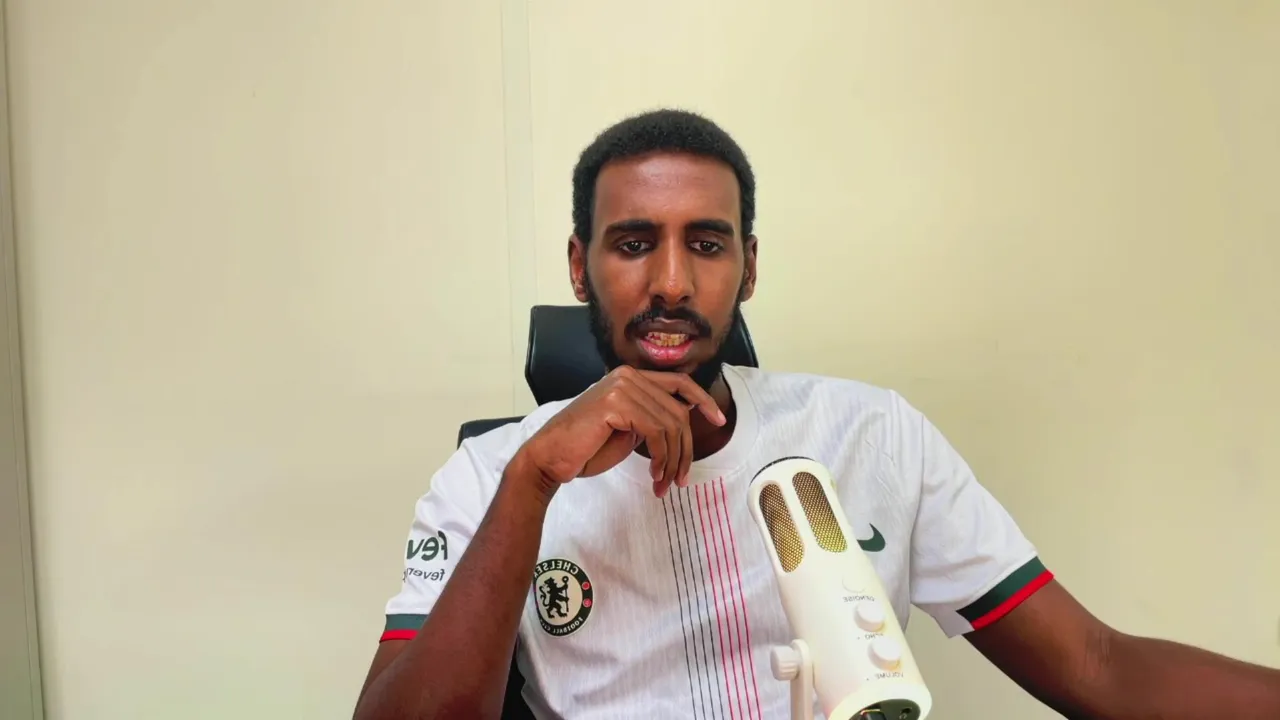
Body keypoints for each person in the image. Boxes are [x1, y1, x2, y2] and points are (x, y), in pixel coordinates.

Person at [353, 109, 1280, 720]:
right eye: (633, 243)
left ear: (749, 267)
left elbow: (1098, 667)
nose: (670, 282)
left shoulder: (873, 436)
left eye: (706, 244)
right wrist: (533, 481)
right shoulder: (488, 475)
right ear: (578, 266)